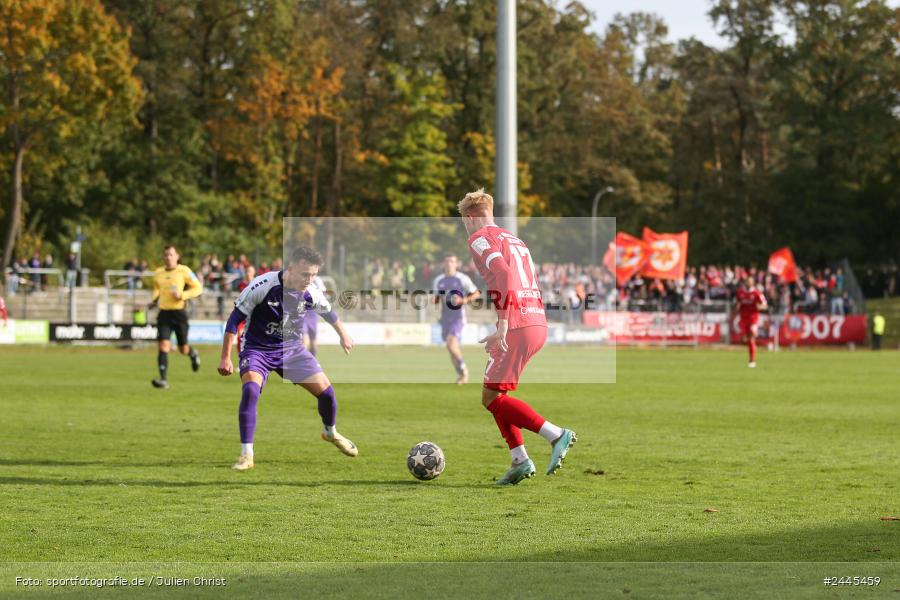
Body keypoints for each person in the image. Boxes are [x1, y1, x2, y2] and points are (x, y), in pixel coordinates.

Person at [459, 189, 576, 485]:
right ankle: (519, 461)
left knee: (490, 397)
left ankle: (556, 434)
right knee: (496, 394)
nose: (465, 227)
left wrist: (503, 324)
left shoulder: (479, 238)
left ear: (471, 217)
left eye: (464, 220)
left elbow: (505, 275)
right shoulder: (514, 238)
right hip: (536, 321)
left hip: (518, 324)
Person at [217, 246, 357, 471]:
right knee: (251, 391)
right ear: (290, 268)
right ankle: (246, 455)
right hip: (257, 349)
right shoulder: (263, 286)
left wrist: (344, 334)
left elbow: (329, 313)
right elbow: (234, 321)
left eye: (313, 275)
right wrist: (225, 357)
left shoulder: (311, 291)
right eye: (305, 274)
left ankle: (330, 432)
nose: (309, 279)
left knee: (328, 394)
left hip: (291, 350)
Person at [149, 246, 203, 389]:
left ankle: (192, 353)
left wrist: (183, 295)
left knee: (183, 349)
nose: (168, 257)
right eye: (166, 255)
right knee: (163, 345)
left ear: (177, 256)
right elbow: (156, 289)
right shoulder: (158, 273)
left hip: (179, 313)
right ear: (163, 257)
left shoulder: (184, 271)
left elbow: (198, 288)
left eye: (171, 255)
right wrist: (153, 300)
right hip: (164, 314)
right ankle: (163, 380)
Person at [432, 253, 480, 384]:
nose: (449, 264)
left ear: (456, 264)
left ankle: (465, 371)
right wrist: (435, 301)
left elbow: (476, 293)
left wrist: (464, 300)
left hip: (458, 317)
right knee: (451, 348)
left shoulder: (462, 279)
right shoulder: (438, 280)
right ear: (444, 264)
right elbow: (436, 298)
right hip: (445, 318)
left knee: (451, 343)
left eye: (452, 261)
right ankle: (461, 375)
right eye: (447, 261)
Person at [734, 276, 767, 368]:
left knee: (752, 337)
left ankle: (752, 360)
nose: (748, 283)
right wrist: (736, 307)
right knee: (744, 339)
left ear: (753, 283)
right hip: (743, 319)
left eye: (750, 281)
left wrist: (760, 307)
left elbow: (765, 305)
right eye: (747, 281)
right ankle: (751, 348)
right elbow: (737, 303)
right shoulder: (740, 292)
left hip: (753, 318)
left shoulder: (757, 293)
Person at [301, 274, 327, 357]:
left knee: (309, 339)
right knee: (310, 339)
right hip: (309, 311)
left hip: (308, 311)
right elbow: (324, 293)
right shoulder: (317, 279)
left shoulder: (303, 276)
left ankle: (307, 361)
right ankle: (310, 361)